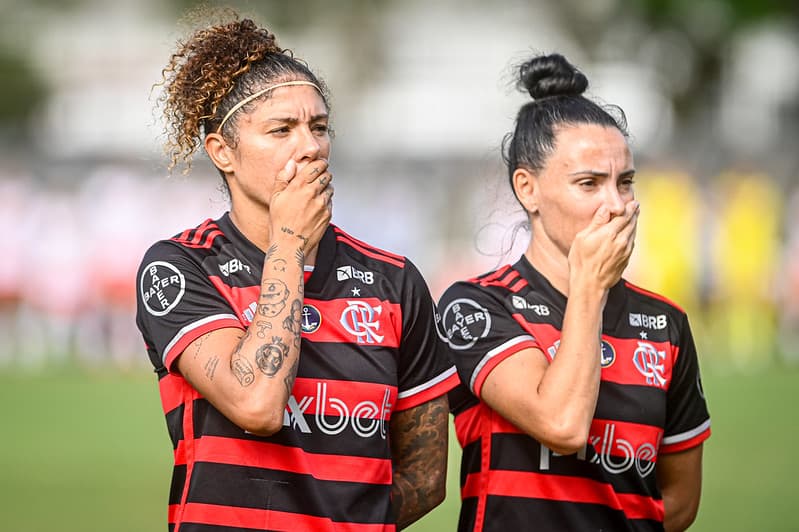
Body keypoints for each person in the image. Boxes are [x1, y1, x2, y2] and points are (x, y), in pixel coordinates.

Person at [135, 13, 458, 531]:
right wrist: (288, 242)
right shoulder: (182, 267)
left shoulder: (395, 282)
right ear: (223, 151)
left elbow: (425, 477)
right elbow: (257, 403)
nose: (310, 146)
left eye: (320, 127)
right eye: (281, 130)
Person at [438, 53, 711, 532]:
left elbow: (681, 501)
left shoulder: (666, 324)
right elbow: (561, 426)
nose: (616, 205)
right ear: (528, 189)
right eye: (589, 183)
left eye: (625, 183)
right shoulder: (476, 306)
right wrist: (588, 288)